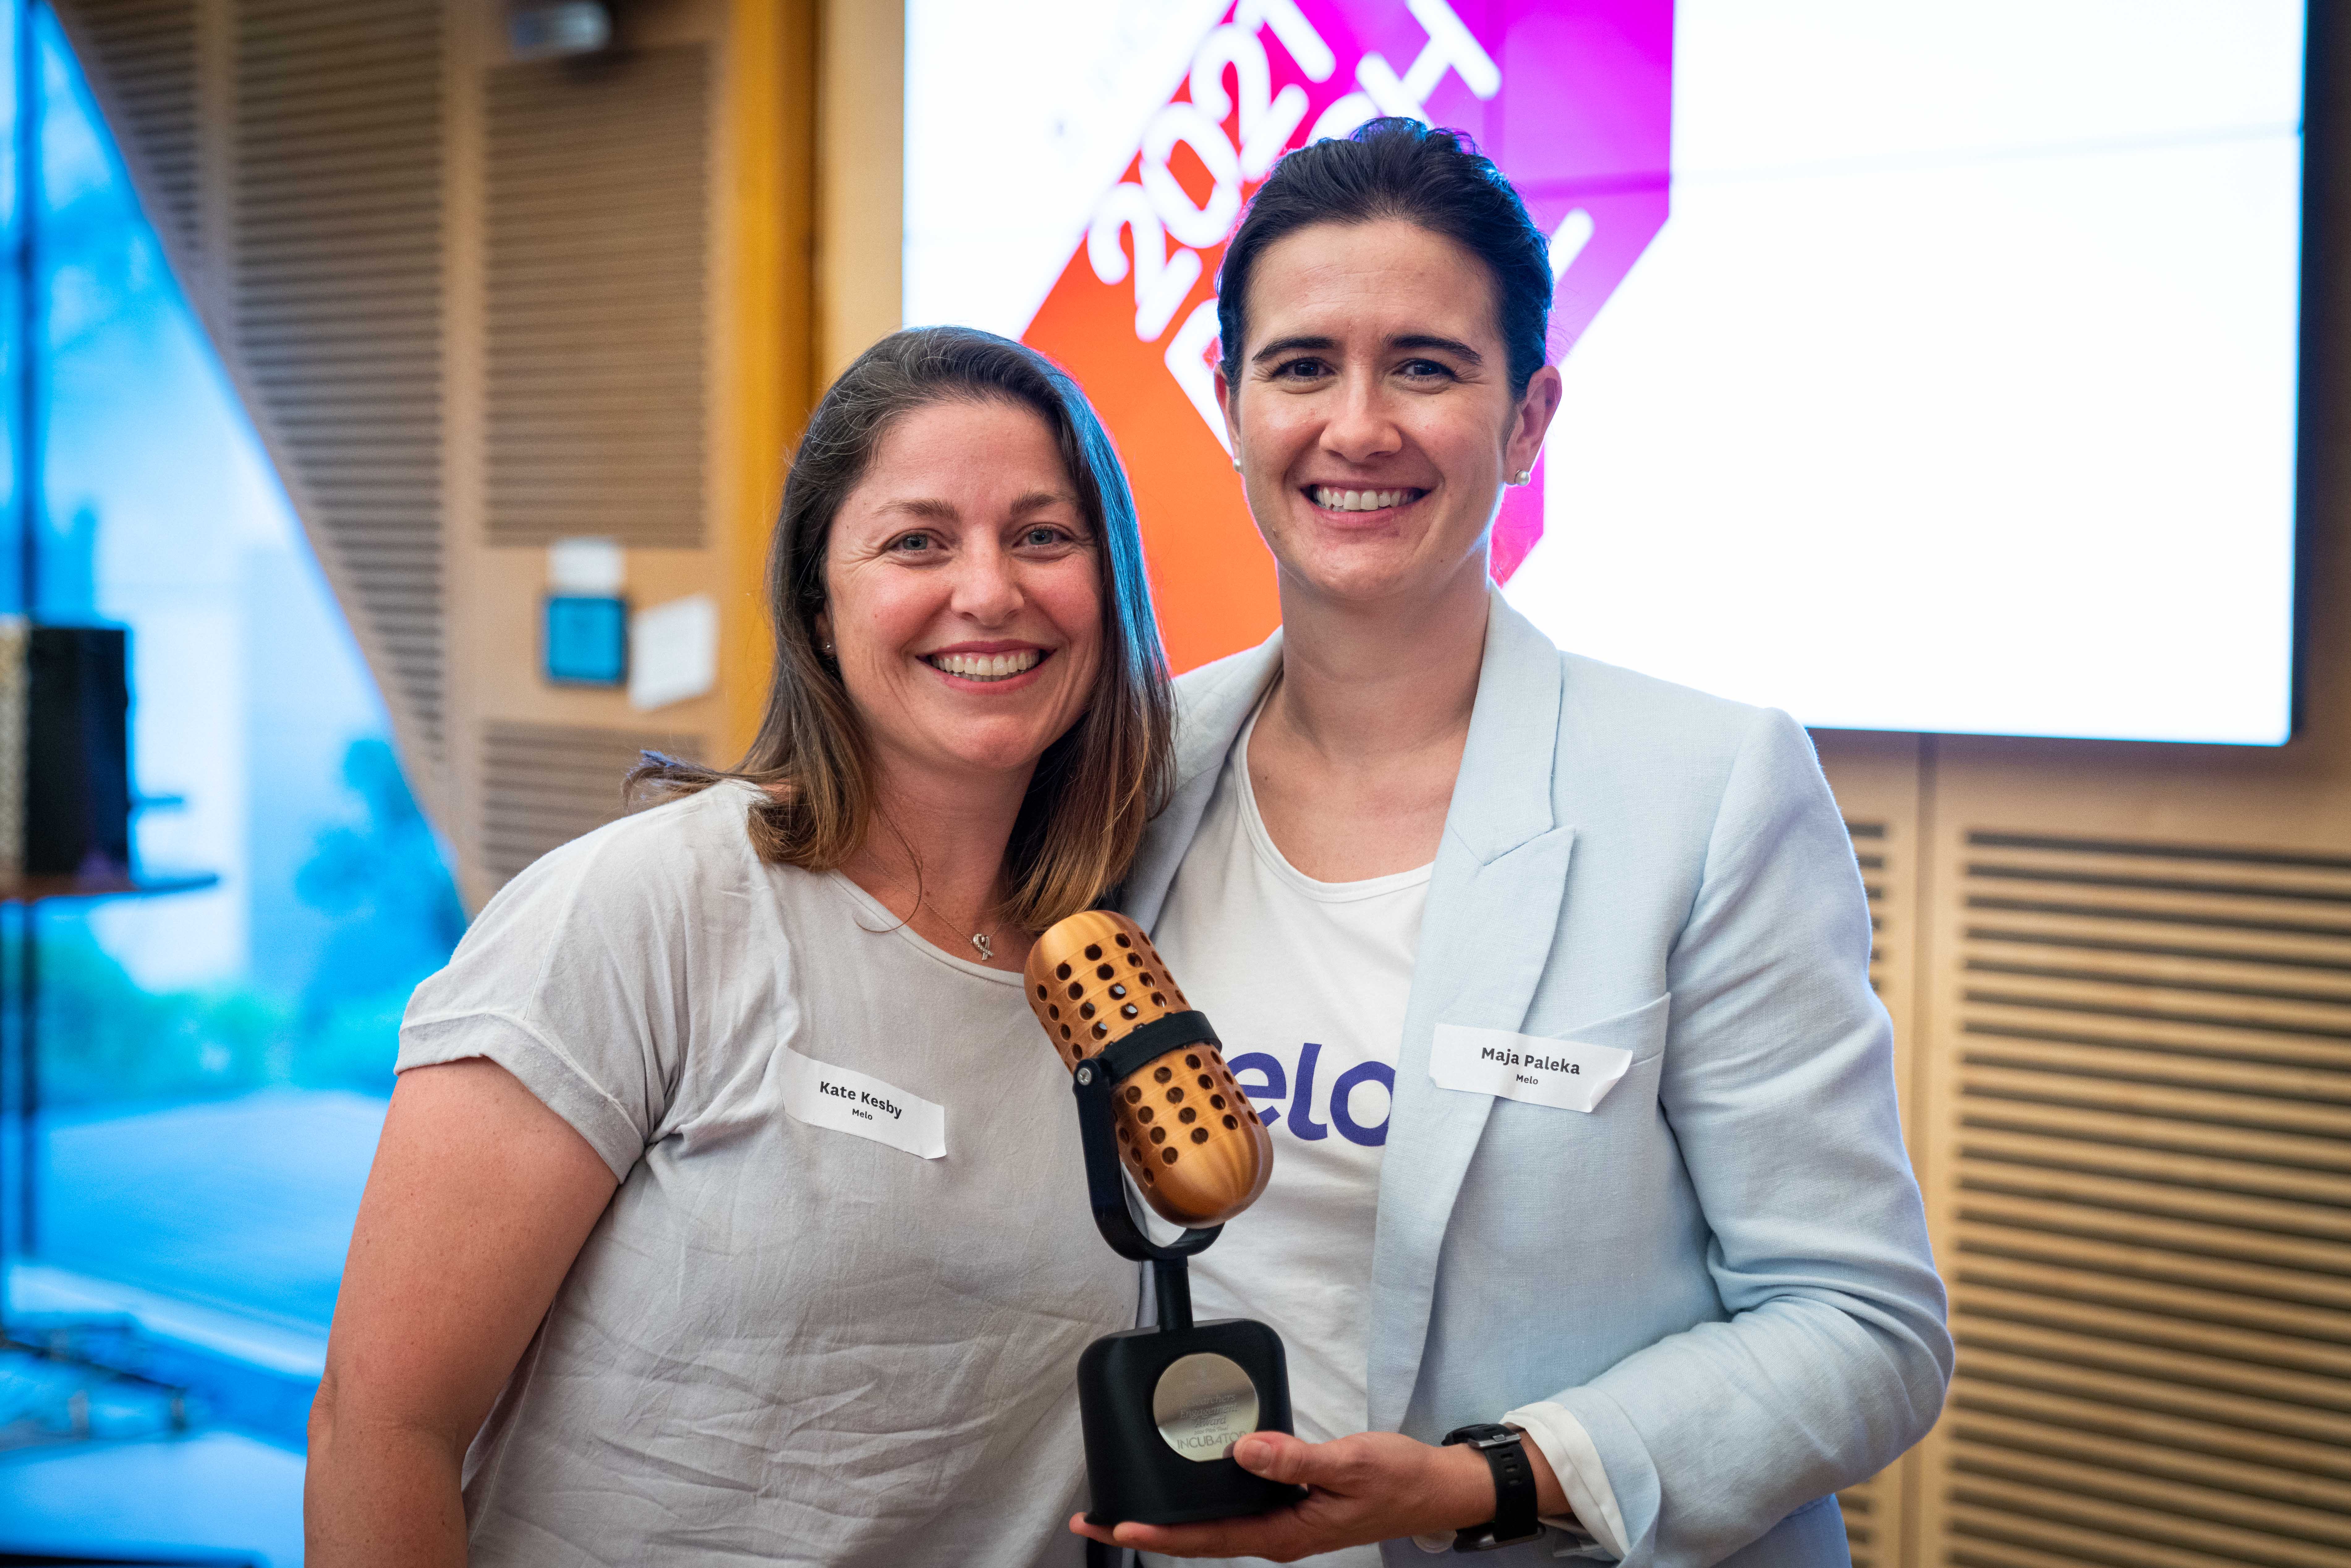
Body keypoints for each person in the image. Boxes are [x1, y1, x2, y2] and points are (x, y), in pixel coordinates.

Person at [1078, 121, 1951, 1568]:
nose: (1358, 426)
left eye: (1426, 366)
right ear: (1231, 406)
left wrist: (1488, 1480)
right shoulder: (1129, 774)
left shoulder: (1705, 789)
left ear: (1530, 420)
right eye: (1302, 366)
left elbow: (1863, 1331)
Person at [306, 326, 1176, 1566]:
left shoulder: (1117, 968)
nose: (990, 591)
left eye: (1043, 535)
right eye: (917, 541)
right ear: (820, 610)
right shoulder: (645, 909)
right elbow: (379, 1428)